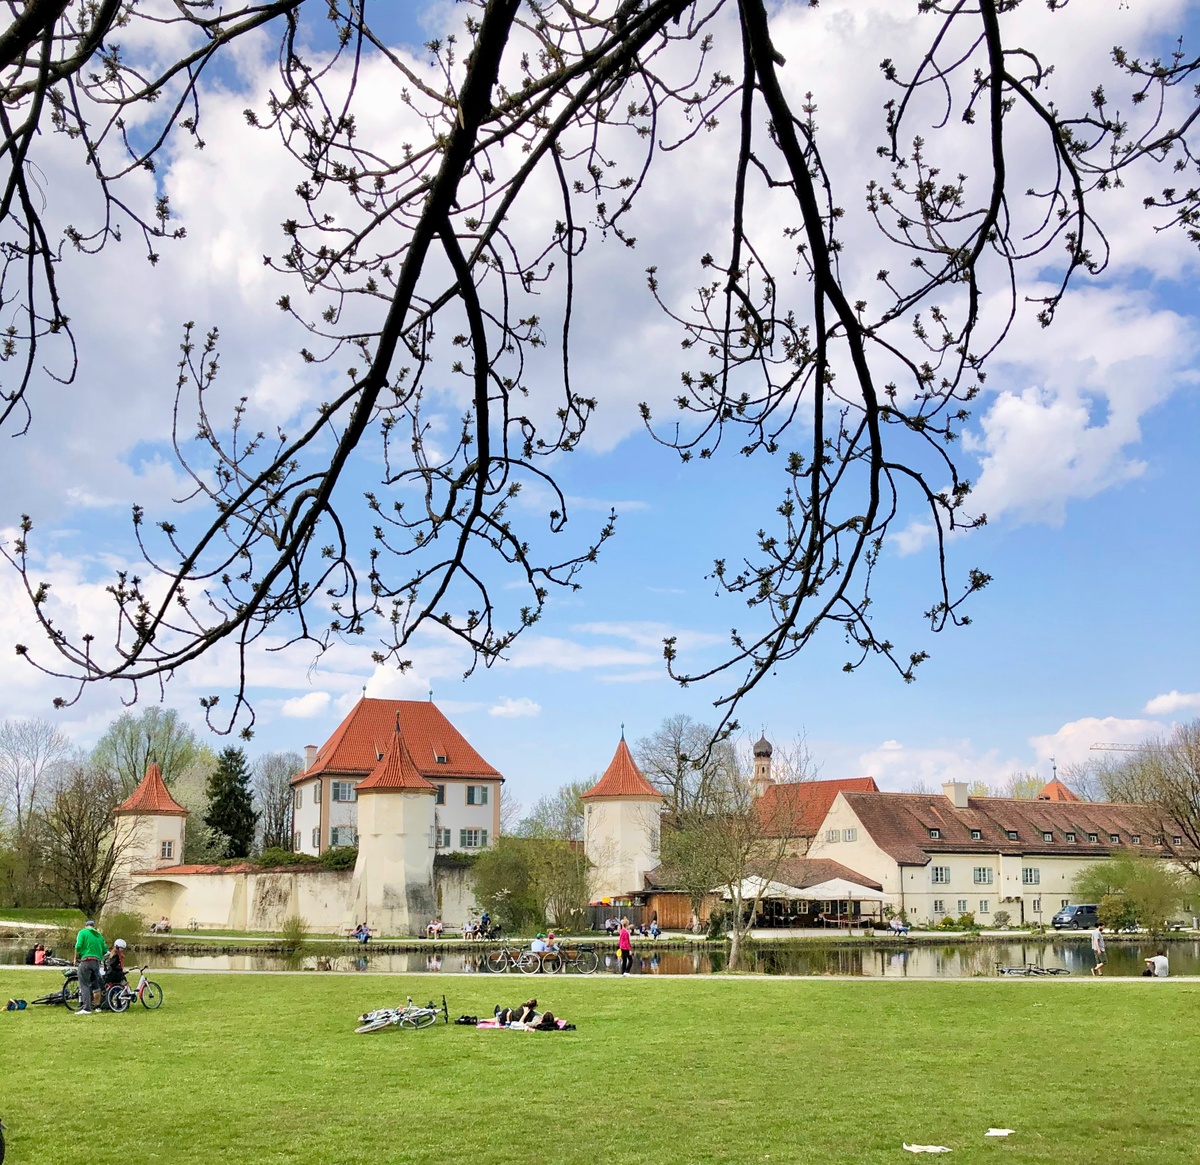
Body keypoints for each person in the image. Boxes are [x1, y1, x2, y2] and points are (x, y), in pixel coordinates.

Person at [74, 919, 107, 1015]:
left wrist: (75, 958)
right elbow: (105, 950)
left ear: (86, 926)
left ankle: (86, 1008)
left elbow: (78, 946)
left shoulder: (83, 932)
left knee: (84, 984)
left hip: (86, 960)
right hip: (96, 962)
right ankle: (97, 1007)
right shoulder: (99, 936)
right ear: (93, 926)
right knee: (96, 985)